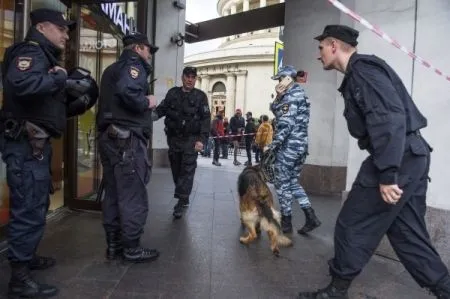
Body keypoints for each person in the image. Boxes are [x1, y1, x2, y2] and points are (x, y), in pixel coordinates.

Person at [297, 24, 450, 299]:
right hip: (410, 154)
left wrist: (388, 174)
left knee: (351, 222)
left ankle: (336, 291)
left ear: (333, 45)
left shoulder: (363, 72)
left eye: (321, 47)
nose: (318, 54)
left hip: (398, 157)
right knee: (407, 233)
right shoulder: (362, 73)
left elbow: (388, 118)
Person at [1, 8, 98, 298]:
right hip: (26, 146)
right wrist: (61, 81)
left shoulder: (46, 58)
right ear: (42, 27)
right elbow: (20, 84)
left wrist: (78, 102)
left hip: (35, 147)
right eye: (62, 29)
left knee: (36, 204)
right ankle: (19, 279)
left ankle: (26, 258)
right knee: (28, 210)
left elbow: (45, 106)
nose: (66, 35)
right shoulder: (30, 52)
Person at [96, 32, 159, 263]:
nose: (150, 55)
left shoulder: (111, 69)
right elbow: (127, 91)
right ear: (139, 48)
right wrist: (147, 101)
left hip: (110, 139)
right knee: (132, 195)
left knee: (113, 194)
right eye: (149, 50)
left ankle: (114, 246)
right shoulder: (134, 65)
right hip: (127, 142)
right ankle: (131, 247)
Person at [267, 65, 321, 234]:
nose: (277, 82)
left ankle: (286, 222)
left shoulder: (291, 97)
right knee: (292, 183)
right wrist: (278, 96)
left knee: (282, 184)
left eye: (279, 79)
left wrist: (272, 146)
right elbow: (276, 110)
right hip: (300, 148)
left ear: (287, 79)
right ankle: (311, 216)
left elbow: (285, 124)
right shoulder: (298, 95)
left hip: (288, 147)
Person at [152, 66, 211, 219]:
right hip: (174, 139)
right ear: (182, 77)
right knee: (176, 170)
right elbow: (162, 109)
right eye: (187, 76)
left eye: (193, 77)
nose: (190, 79)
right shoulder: (173, 93)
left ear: (196, 79)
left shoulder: (200, 96)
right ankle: (183, 195)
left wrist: (201, 140)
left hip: (191, 140)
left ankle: (180, 201)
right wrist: (148, 117)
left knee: (187, 170)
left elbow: (206, 119)